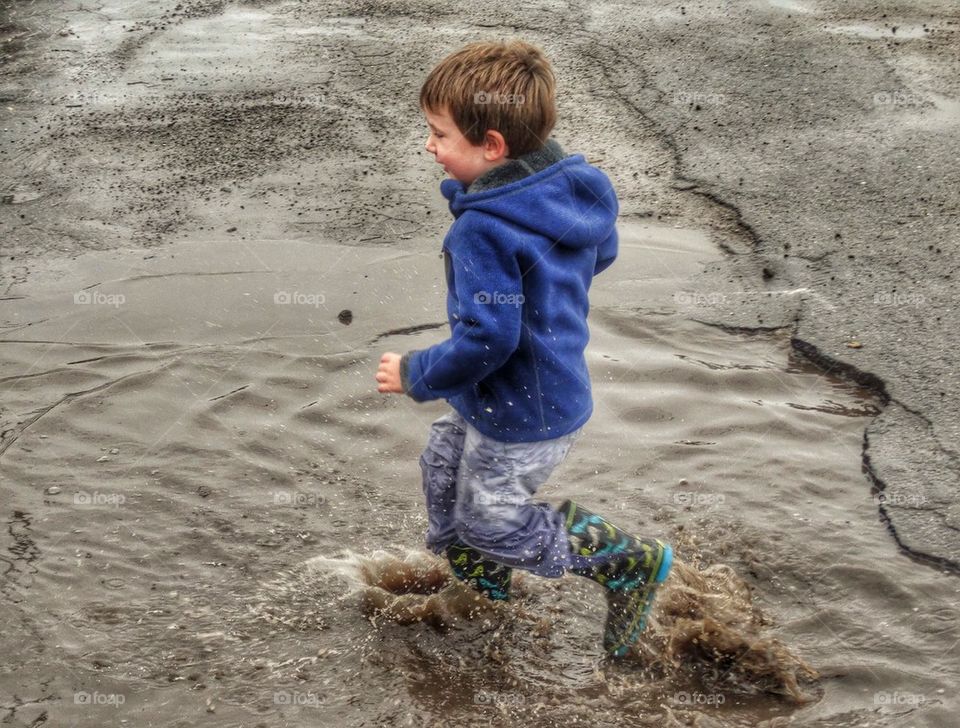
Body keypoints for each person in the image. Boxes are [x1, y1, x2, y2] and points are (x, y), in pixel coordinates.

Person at [374, 39, 672, 657]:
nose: (429, 146)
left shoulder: (481, 229)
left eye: (440, 134)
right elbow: (602, 252)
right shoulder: (572, 192)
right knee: (442, 468)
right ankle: (483, 593)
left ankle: (625, 561)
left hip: (522, 412)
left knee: (491, 520)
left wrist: (416, 372)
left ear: (492, 146)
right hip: (520, 392)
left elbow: (489, 337)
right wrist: (548, 291)